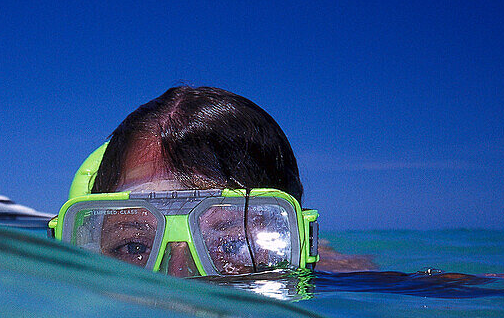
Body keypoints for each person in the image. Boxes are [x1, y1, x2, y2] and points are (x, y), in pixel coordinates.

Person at [49, 86, 372, 276]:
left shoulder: (356, 282)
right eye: (134, 247)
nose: (178, 279)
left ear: (300, 241)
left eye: (234, 244)